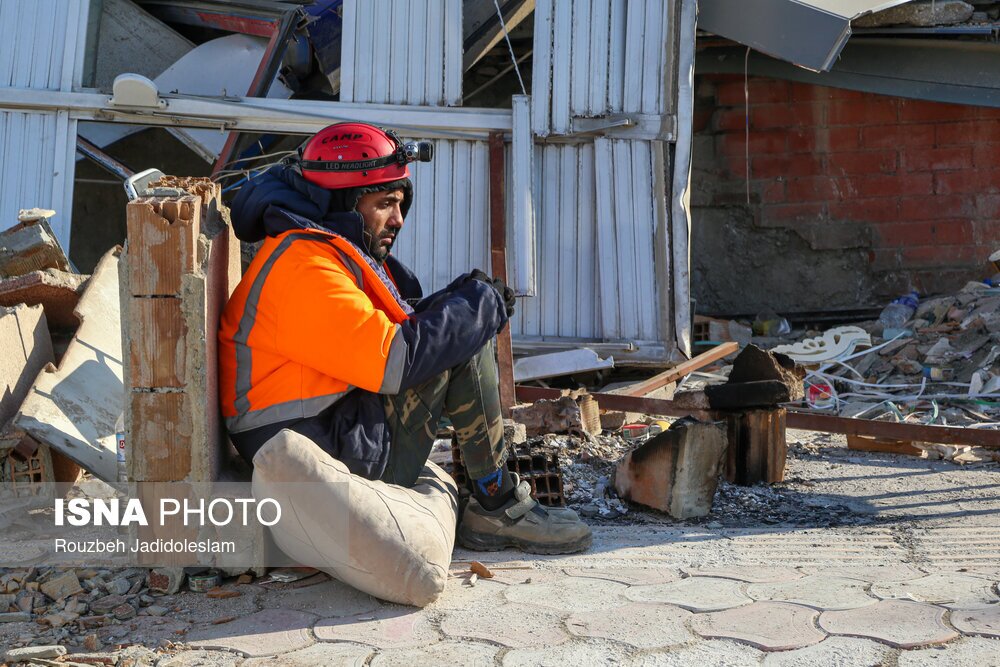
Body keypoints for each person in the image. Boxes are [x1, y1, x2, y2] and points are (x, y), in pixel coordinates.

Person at [218, 122, 591, 554]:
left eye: (400, 203)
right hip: (320, 454)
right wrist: (476, 309)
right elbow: (396, 360)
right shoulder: (305, 267)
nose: (398, 219)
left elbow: (397, 325)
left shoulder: (318, 250)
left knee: (458, 320)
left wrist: (461, 299)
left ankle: (490, 495)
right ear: (342, 201)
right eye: (385, 204)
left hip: (326, 428)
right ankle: (497, 505)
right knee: (462, 339)